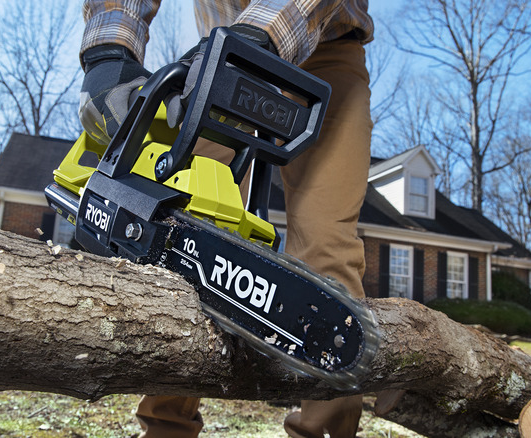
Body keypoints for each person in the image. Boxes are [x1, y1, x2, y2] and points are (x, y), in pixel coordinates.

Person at [78, 1, 375, 437]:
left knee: (327, 248)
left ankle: (325, 430)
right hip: (217, 60)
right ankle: (165, 428)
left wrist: (257, 39)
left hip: (325, 50)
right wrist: (108, 52)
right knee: (184, 231)